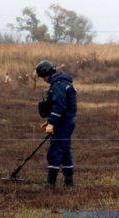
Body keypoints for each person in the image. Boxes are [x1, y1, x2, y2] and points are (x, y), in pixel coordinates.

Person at [36, 60, 77, 188]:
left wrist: (51, 124)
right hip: (66, 121)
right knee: (64, 150)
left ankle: (51, 183)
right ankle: (69, 183)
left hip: (63, 123)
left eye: (42, 77)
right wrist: (49, 122)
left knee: (55, 150)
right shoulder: (62, 82)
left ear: (46, 73)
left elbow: (59, 107)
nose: (43, 79)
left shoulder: (58, 85)